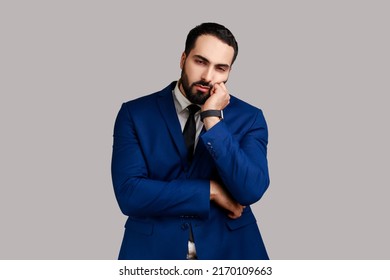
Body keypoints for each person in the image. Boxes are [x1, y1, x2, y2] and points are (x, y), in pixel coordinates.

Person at [111, 22, 270, 260]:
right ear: (183, 58)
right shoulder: (135, 113)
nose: (208, 77)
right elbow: (129, 194)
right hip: (151, 253)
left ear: (228, 72)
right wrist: (211, 191)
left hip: (232, 252)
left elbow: (250, 190)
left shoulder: (250, 118)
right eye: (200, 62)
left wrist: (213, 120)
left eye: (220, 68)